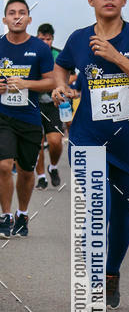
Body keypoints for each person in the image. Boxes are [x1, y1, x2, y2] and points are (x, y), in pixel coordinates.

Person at [53, 0, 129, 307]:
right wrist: (60, 85)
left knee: (122, 217)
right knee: (97, 210)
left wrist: (116, 57)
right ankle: (93, 280)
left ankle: (111, 272)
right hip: (88, 137)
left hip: (128, 142)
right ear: (91, 0)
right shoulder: (78, 38)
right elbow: (62, 65)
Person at [0, 0, 55, 236]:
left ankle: (22, 213)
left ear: (29, 19)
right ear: (5, 19)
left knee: (25, 171)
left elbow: (51, 81)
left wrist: (26, 83)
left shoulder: (40, 48)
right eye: (12, 13)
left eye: (22, 13)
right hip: (3, 116)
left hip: (30, 118)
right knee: (3, 166)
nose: (17, 17)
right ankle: (5, 216)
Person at [34, 23, 64, 189]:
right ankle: (41, 177)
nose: (45, 42)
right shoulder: (30, 54)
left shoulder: (58, 55)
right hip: (33, 104)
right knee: (37, 143)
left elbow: (72, 77)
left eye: (48, 39)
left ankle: (52, 167)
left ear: (52, 39)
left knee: (55, 141)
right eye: (41, 39)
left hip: (53, 104)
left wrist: (58, 85)